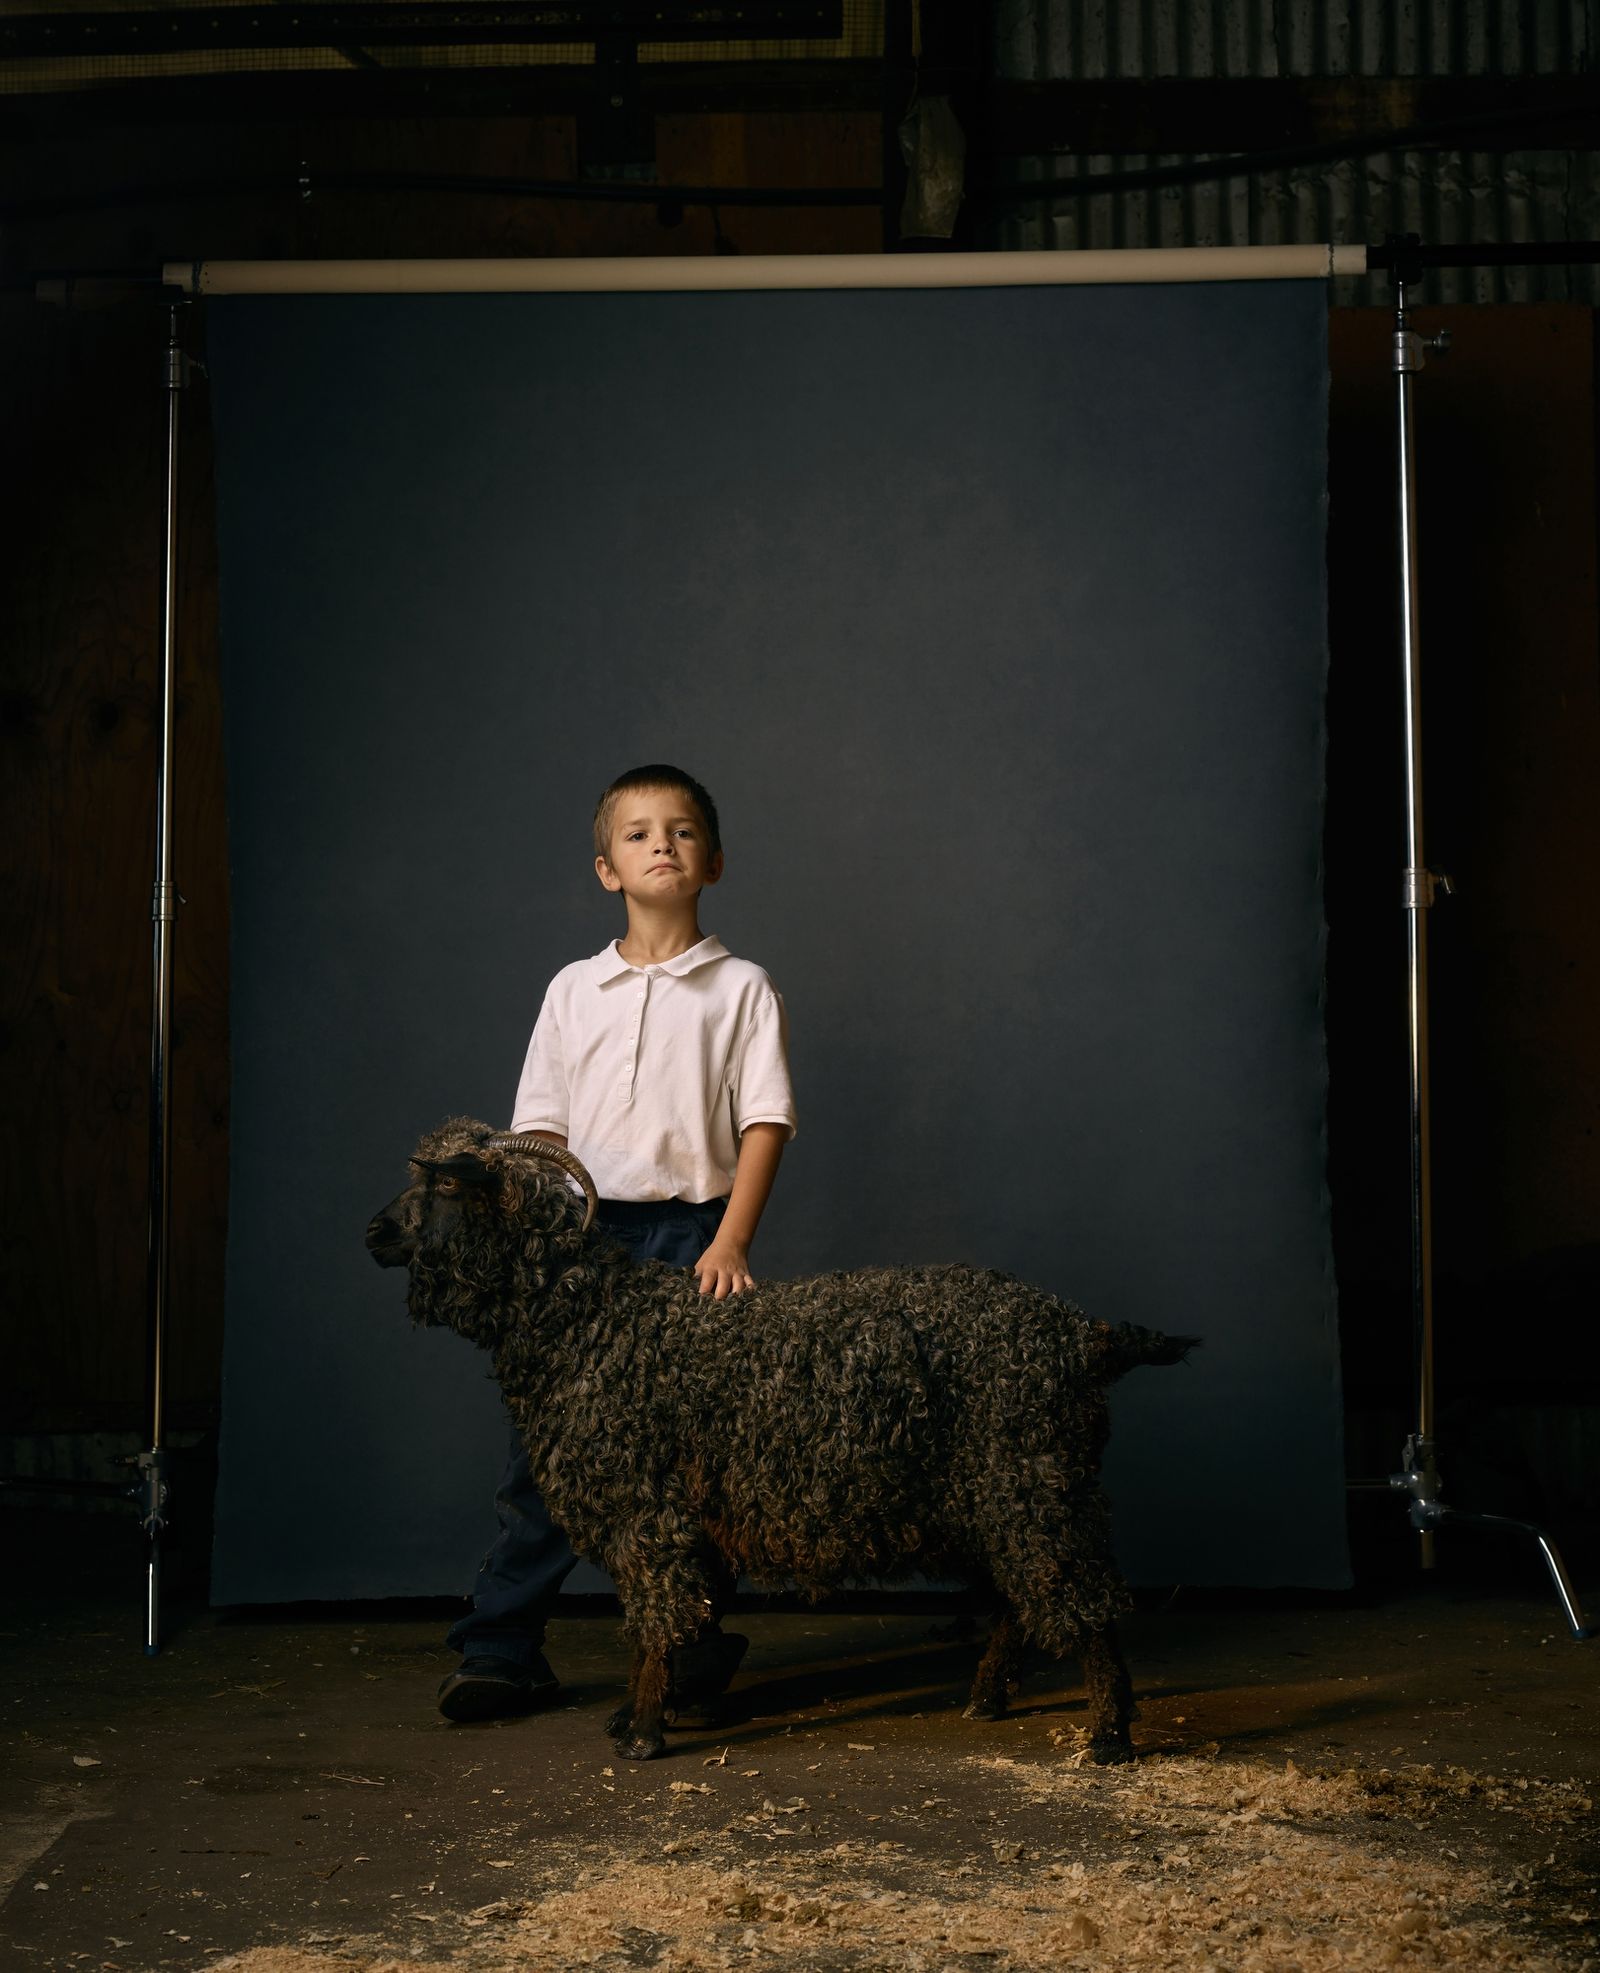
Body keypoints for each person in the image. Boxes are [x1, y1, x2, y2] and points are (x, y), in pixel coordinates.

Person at [436, 763, 796, 1722]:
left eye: (681, 832)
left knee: (697, 1459)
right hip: (582, 1249)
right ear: (607, 869)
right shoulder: (572, 989)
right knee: (547, 1456)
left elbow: (765, 1122)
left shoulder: (741, 987)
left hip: (691, 1240)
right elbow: (538, 1133)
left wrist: (730, 1240)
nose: (662, 845)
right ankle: (503, 1647)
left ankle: (691, 1651)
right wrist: (546, 1252)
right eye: (639, 834)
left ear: (712, 861)